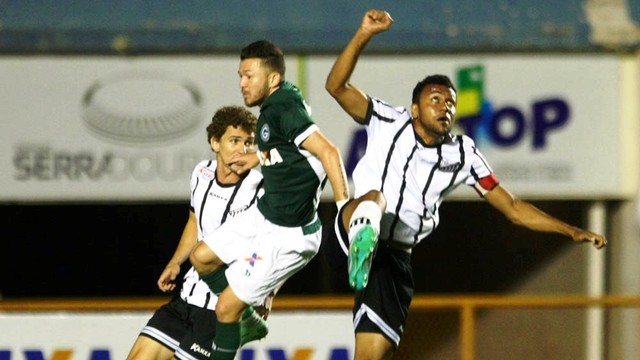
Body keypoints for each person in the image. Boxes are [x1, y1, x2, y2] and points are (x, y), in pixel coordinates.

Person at [325, 9, 608, 360]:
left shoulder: (464, 154)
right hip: (355, 221)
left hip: (395, 258)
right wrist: (364, 33)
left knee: (370, 355)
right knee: (374, 199)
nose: (445, 107)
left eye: (450, 103)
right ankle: (361, 242)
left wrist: (571, 231)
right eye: (435, 100)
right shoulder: (387, 118)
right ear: (414, 109)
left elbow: (514, 209)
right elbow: (335, 86)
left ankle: (366, 253)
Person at [189, 39, 350, 360]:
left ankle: (237, 319)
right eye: (240, 76)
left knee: (224, 309)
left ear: (273, 79)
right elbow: (290, 152)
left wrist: (347, 210)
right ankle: (248, 319)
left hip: (289, 235)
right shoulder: (277, 104)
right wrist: (259, 158)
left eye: (249, 76)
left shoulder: (284, 109)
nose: (241, 83)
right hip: (265, 214)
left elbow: (328, 152)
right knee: (202, 257)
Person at [127, 106, 270, 360]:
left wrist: (269, 293)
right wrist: (175, 262)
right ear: (215, 142)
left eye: (249, 143)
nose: (243, 150)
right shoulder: (201, 174)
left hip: (221, 310)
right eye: (234, 141)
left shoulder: (260, 190)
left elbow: (275, 246)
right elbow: (195, 221)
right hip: (186, 298)